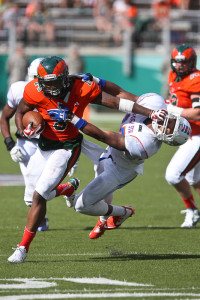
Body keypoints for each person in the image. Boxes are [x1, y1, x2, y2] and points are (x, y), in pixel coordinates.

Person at [7, 55, 167, 263]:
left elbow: (116, 103)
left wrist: (150, 112)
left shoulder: (81, 87)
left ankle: (22, 249)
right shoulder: (34, 89)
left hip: (66, 147)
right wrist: (23, 130)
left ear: (65, 78)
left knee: (39, 195)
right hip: (43, 145)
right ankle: (67, 189)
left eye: (55, 82)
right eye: (47, 83)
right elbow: (21, 111)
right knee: (33, 198)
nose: (51, 87)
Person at [63, 92, 191, 239]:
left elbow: (104, 136)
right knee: (95, 169)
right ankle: (100, 217)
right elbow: (120, 93)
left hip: (119, 171)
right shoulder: (155, 103)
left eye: (169, 128)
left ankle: (122, 212)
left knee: (80, 206)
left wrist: (73, 119)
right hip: (111, 152)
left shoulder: (146, 144)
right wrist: (97, 82)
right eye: (172, 121)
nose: (166, 123)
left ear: (166, 138)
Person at [1, 57, 49, 232]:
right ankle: (40, 219)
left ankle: (66, 190)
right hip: (27, 143)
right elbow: (5, 116)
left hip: (51, 142)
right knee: (32, 186)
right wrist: (10, 144)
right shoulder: (19, 89)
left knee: (46, 184)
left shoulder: (57, 91)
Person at [165, 44, 200, 228]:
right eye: (176, 62)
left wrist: (172, 110)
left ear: (192, 63)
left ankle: (193, 210)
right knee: (195, 179)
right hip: (188, 135)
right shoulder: (173, 75)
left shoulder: (195, 79)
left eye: (183, 62)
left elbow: (198, 113)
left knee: (173, 175)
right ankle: (193, 211)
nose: (179, 66)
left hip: (198, 136)